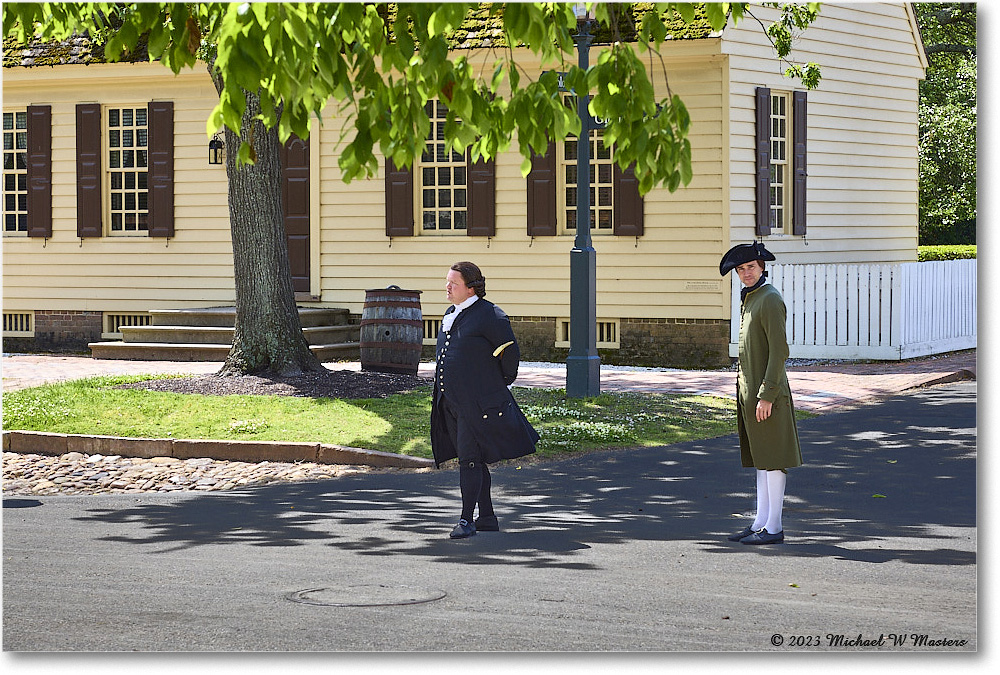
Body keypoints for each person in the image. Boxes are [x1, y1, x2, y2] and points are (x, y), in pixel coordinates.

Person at [430, 261, 540, 539]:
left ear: (471, 288)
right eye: (447, 281)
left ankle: (466, 520)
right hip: (452, 402)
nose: (447, 287)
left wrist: (494, 386)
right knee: (473, 459)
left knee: (468, 460)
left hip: (477, 403)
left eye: (453, 283)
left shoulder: (490, 315)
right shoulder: (452, 312)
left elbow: (510, 356)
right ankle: (487, 517)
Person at [719, 242, 803, 545]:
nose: (745, 274)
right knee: (761, 458)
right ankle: (760, 522)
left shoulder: (769, 299)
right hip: (751, 393)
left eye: (750, 267)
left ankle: (775, 527)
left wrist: (766, 394)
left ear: (762, 267)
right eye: (740, 270)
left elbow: (779, 351)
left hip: (768, 395)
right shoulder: (751, 298)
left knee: (773, 458)